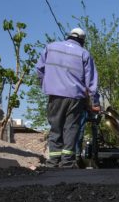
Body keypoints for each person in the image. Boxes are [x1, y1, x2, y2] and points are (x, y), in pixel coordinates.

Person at [36, 28, 99, 168]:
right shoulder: (84, 53)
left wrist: (47, 85)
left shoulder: (50, 48)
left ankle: (53, 162)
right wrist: (95, 103)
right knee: (71, 129)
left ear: (68, 36)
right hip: (75, 97)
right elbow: (92, 83)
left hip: (55, 95)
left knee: (55, 127)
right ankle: (67, 162)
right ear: (82, 41)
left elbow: (40, 70)